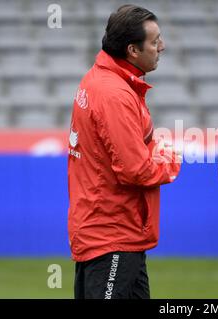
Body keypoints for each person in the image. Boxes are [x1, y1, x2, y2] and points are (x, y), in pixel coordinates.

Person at [67, 5, 181, 299]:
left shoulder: (99, 79)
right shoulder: (115, 94)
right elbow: (136, 170)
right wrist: (169, 159)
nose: (162, 46)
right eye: (155, 41)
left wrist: (150, 148)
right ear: (132, 49)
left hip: (110, 232)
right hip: (113, 235)